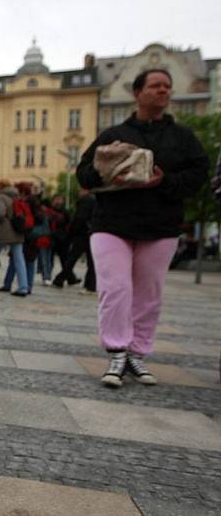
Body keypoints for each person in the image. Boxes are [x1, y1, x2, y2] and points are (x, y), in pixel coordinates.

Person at [76, 69, 208, 388]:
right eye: (155, 86)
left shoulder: (183, 138)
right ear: (138, 93)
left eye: (167, 86)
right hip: (112, 222)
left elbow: (198, 174)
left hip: (160, 224)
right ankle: (117, 349)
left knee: (149, 293)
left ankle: (138, 352)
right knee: (115, 287)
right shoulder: (114, 134)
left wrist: (167, 181)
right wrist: (110, 177)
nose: (163, 91)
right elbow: (84, 172)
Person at [0, 180, 29, 296]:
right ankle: (23, 287)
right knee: (19, 260)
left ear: (1, 186)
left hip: (4, 231)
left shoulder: (1, 197)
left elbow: (1, 213)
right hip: (17, 230)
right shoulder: (17, 196)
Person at [52, 188, 96, 292]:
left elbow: (80, 218)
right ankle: (90, 284)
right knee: (91, 261)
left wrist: (71, 233)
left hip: (82, 234)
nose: (78, 192)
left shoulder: (85, 201)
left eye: (80, 190)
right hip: (93, 233)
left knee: (72, 258)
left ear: (85, 190)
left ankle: (60, 279)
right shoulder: (95, 199)